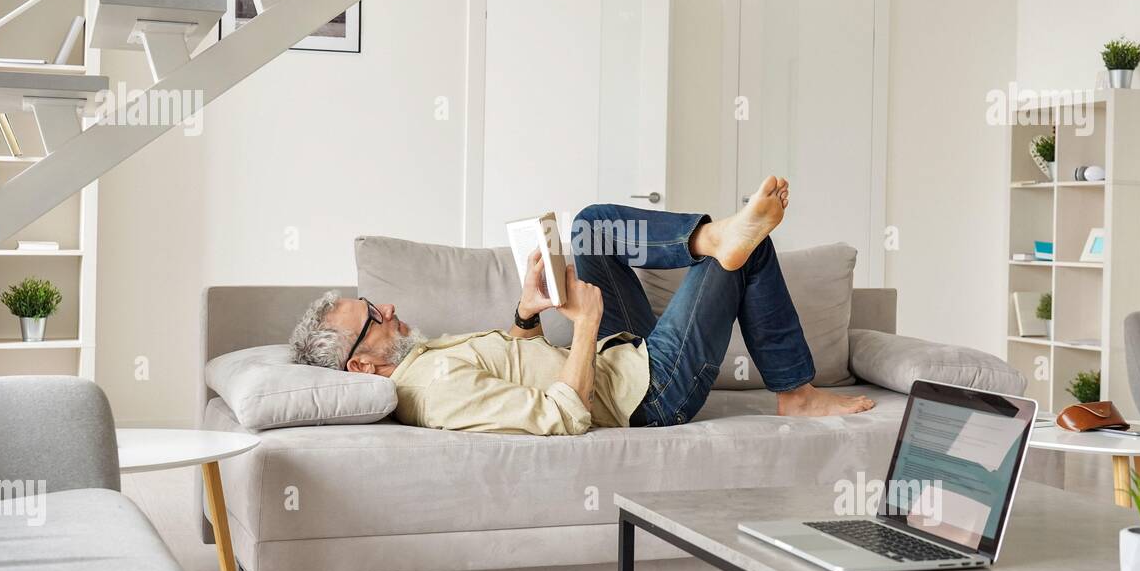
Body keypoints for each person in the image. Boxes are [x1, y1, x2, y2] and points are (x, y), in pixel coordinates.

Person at [289, 176, 875, 435]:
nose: (386, 308)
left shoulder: (424, 358)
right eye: (371, 318)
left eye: (372, 302)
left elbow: (516, 364)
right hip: (650, 393)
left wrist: (526, 312)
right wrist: (588, 321)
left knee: (593, 226)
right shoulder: (430, 390)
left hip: (622, 356)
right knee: (746, 252)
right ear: (361, 367)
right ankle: (796, 394)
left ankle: (707, 236)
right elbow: (561, 417)